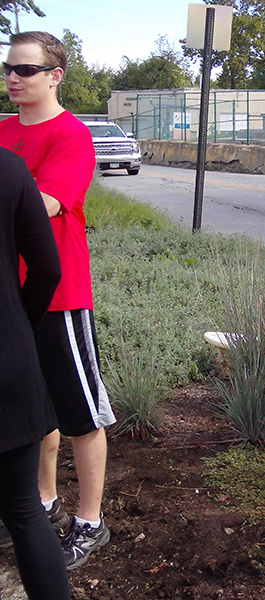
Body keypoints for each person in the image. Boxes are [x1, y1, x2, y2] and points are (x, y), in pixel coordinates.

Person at [0, 31, 116, 569]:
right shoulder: (1, 133)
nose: (13, 79)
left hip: (59, 295)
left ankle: (90, 523)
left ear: (55, 75)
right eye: (8, 69)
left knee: (78, 412)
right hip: (10, 296)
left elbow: (42, 205)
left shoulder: (71, 135)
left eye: (26, 69)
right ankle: (38, 504)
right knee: (30, 411)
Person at [0, 147, 70, 599]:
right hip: (9, 361)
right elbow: (47, 267)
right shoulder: (7, 167)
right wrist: (18, 327)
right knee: (24, 509)